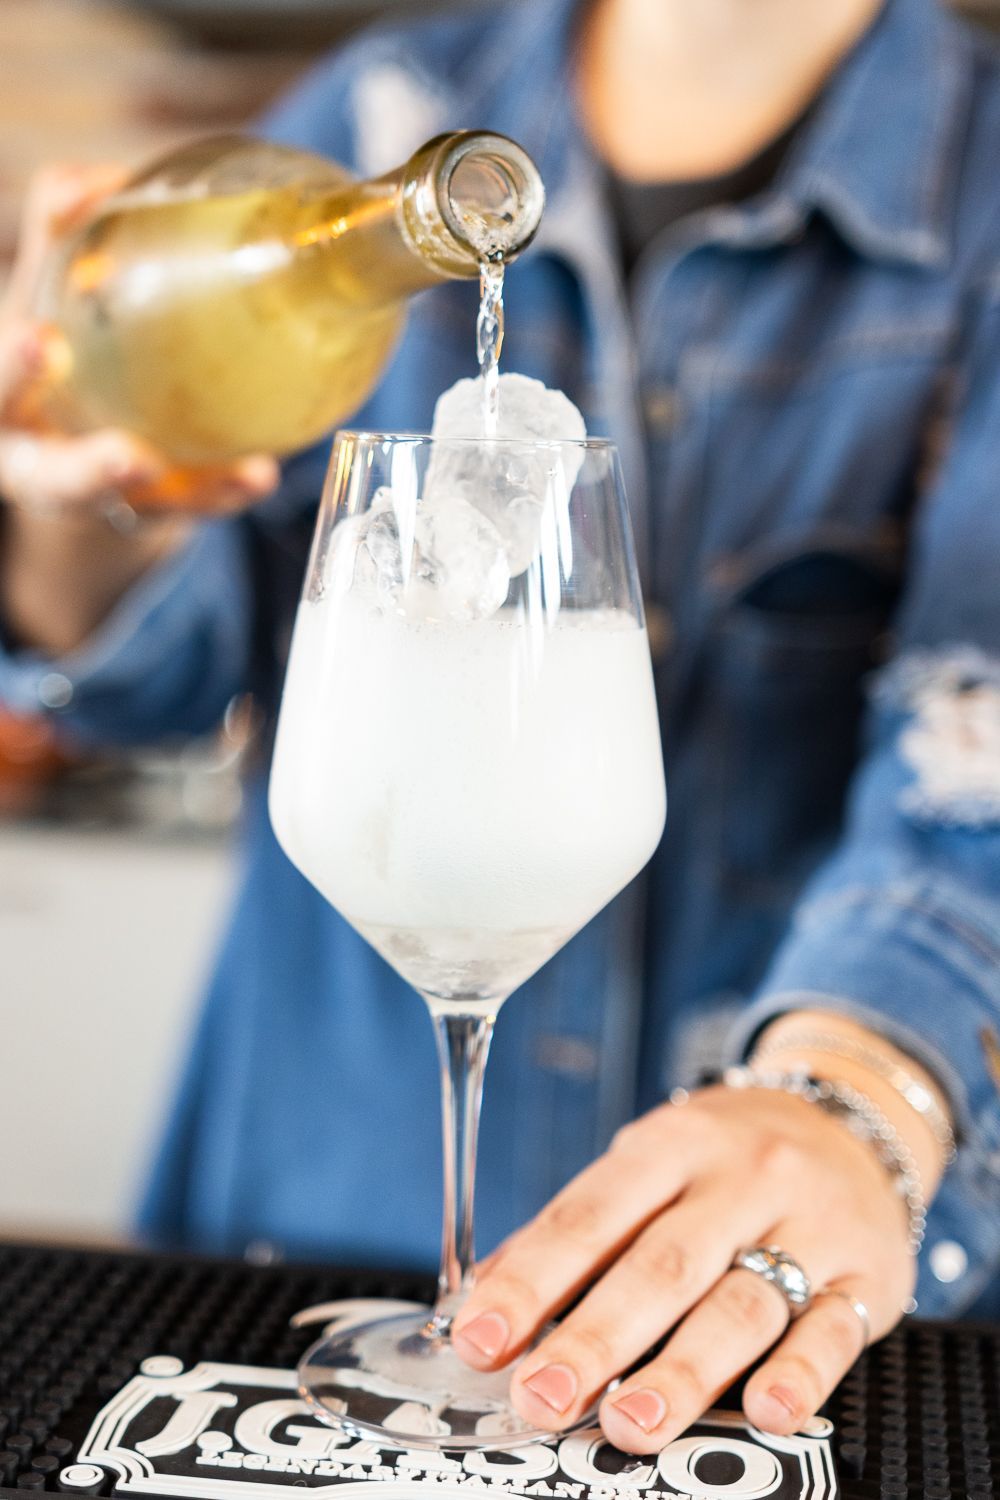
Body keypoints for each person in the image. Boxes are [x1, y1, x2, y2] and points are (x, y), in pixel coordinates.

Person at [2, 0, 1000, 1455]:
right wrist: (67, 486)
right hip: (292, 1253)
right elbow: (157, 669)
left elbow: (973, 746)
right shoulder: (370, 117)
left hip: (749, 1304)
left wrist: (851, 1096)